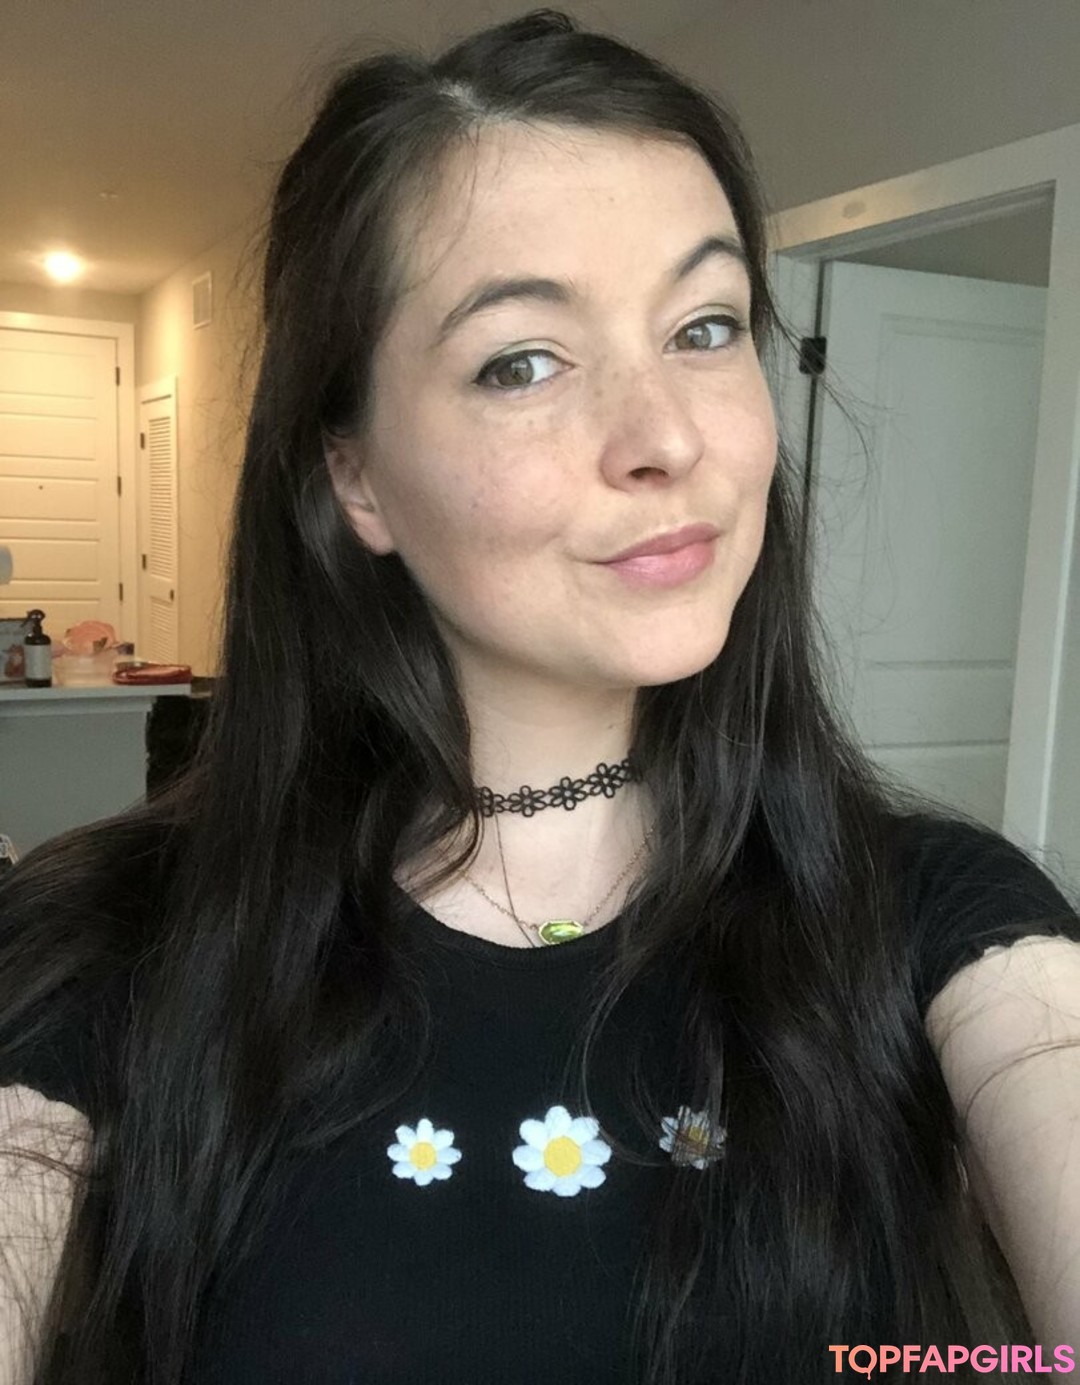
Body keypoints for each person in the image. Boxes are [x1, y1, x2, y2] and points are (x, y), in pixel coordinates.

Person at [0, 10, 1078, 1383]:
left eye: (705, 326)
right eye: (523, 360)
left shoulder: (944, 926)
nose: (667, 436)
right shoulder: (104, 950)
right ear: (355, 477)